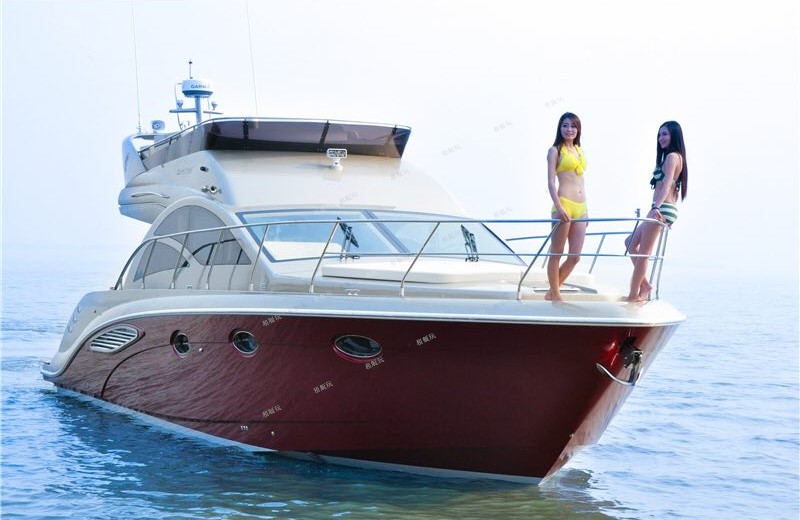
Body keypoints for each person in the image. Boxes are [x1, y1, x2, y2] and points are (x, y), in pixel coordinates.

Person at [625, 120, 688, 302]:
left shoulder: (672, 157)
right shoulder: (672, 157)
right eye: (659, 135)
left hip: (662, 208)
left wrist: (656, 208)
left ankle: (634, 295)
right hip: (664, 208)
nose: (661, 138)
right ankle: (645, 285)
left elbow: (667, 184)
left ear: (674, 136)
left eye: (665, 134)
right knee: (630, 243)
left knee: (644, 254)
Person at [545, 112, 588, 301]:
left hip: (581, 208)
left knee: (575, 256)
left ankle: (552, 291)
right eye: (565, 125)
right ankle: (555, 294)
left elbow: (581, 182)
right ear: (559, 128)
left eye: (573, 126)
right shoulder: (555, 150)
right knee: (557, 252)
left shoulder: (579, 150)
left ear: (578, 129)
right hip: (563, 205)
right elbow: (550, 182)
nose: (569, 129)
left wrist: (587, 210)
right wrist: (559, 206)